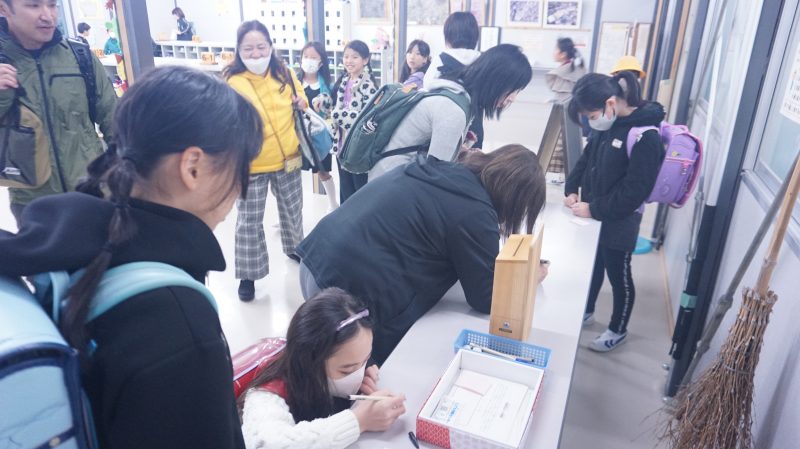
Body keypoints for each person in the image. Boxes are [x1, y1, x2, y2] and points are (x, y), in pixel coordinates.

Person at [0, 66, 263, 449]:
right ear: (192, 166)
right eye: (241, 168)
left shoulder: (79, 245)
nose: (240, 188)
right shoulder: (179, 327)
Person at [297, 145, 547, 363]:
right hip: (347, 291)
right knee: (361, 375)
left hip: (314, 259)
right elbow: (485, 298)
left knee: (327, 365)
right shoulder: (475, 212)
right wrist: (529, 277)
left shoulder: (438, 171)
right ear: (516, 200)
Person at [565, 72, 666, 352]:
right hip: (595, 213)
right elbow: (587, 158)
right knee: (594, 265)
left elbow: (635, 191)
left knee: (618, 274)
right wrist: (571, 188)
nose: (591, 121)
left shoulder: (645, 137)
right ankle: (587, 310)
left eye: (591, 115)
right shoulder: (608, 124)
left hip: (621, 219)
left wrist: (593, 208)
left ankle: (618, 329)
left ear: (610, 103)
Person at [241, 288, 406, 448]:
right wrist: (359, 420)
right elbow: (269, 444)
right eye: (347, 370)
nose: (357, 375)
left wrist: (368, 369)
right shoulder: (265, 397)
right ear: (309, 361)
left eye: (365, 361)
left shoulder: (347, 356)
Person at [0, 1, 116, 224]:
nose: (48, 16)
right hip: (33, 204)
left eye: (52, 5)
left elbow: (114, 120)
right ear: (4, 8)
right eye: (34, 6)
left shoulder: (80, 55)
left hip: (92, 193)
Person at [224, 20, 308, 302]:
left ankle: (295, 248)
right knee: (248, 221)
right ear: (238, 50)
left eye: (261, 47)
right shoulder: (232, 81)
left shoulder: (284, 73)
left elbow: (301, 99)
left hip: (288, 158)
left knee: (293, 211)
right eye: (248, 48)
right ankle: (248, 275)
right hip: (251, 164)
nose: (256, 54)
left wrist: (302, 103)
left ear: (271, 46)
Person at [368, 44, 532, 182]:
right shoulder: (454, 110)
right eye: (512, 89)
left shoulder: (456, 94)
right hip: (392, 186)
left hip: (392, 179)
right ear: (495, 81)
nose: (512, 98)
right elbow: (435, 176)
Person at [423, 12, 486, 148]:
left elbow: (427, 85)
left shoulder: (442, 58)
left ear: (448, 35)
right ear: (475, 36)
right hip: (474, 123)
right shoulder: (482, 60)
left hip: (445, 121)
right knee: (472, 157)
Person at [330, 39, 378, 203]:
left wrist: (337, 115)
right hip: (342, 143)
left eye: (355, 57)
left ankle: (359, 218)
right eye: (346, 56)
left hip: (358, 147)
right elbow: (338, 106)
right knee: (345, 187)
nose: (349, 61)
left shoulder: (368, 85)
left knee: (359, 190)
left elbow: (364, 118)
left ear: (365, 60)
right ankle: (346, 216)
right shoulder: (344, 80)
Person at [297, 40, 338, 211]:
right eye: (306, 56)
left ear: (321, 62)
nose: (308, 60)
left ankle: (333, 204)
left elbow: (331, 113)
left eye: (313, 57)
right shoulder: (294, 83)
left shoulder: (328, 86)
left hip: (318, 136)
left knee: (322, 171)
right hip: (296, 135)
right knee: (293, 173)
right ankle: (294, 209)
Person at [544, 37, 586, 176]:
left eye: (556, 49)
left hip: (567, 116)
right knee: (559, 146)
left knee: (561, 146)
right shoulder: (569, 69)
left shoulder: (569, 70)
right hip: (564, 114)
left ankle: (562, 177)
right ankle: (561, 177)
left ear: (563, 54)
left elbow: (567, 96)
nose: (553, 52)